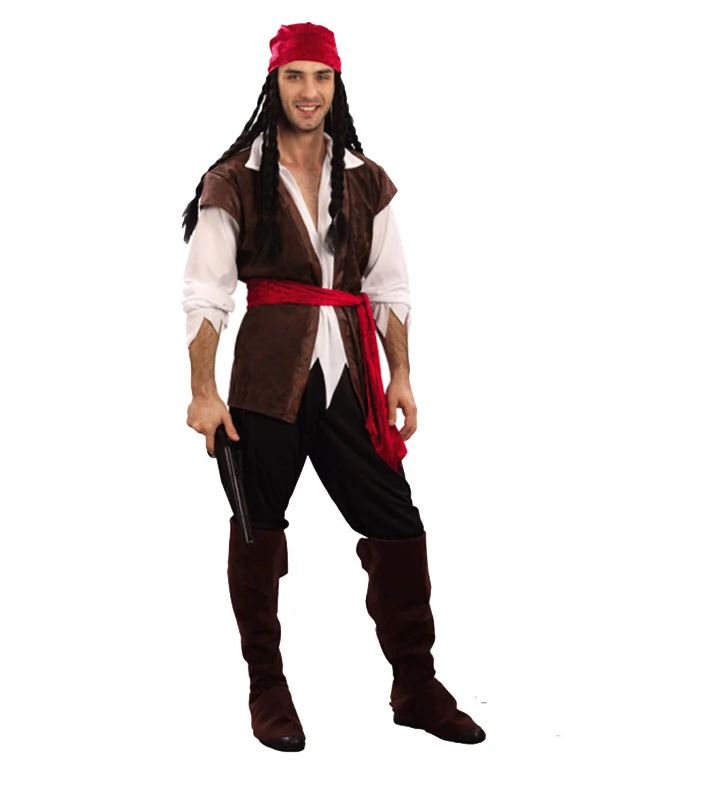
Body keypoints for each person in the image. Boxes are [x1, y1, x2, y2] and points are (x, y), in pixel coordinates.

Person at [181, 22, 485, 752]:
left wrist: (401, 375)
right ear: (274, 84)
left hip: (352, 376)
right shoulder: (234, 178)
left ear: (336, 84)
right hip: (264, 383)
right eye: (295, 76)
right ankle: (267, 686)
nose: (309, 91)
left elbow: (389, 286)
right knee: (257, 528)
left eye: (321, 77)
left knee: (398, 524)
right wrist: (203, 391)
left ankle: (415, 685)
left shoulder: (365, 177)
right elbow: (206, 292)